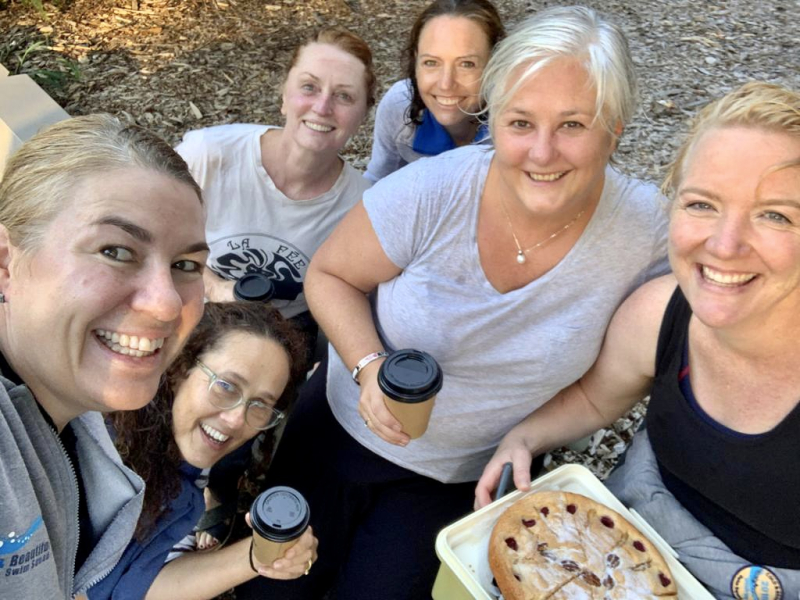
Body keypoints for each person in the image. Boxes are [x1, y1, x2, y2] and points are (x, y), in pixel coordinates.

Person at [235, 7, 670, 600]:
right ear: (495, 117)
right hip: (339, 429)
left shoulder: (648, 236)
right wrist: (368, 366)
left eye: (573, 124)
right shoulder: (434, 189)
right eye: (520, 122)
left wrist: (532, 436)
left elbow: (615, 383)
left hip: (463, 478)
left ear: (614, 128)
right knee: (271, 591)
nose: (542, 152)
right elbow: (331, 275)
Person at [475, 82, 800, 598]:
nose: (724, 245)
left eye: (775, 215)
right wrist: (525, 438)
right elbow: (594, 398)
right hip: (628, 540)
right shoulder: (659, 314)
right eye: (702, 204)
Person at [0, 114, 209, 600]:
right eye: (115, 251)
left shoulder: (71, 413)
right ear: (6, 263)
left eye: (185, 265)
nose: (166, 304)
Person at [89, 302, 317, 600]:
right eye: (226, 386)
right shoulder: (94, 450)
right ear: (180, 368)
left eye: (260, 404)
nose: (236, 420)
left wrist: (258, 555)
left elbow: (132, 587)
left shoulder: (179, 466)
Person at [176, 26, 375, 347]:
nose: (322, 107)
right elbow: (150, 241)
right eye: (309, 87)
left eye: (344, 96)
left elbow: (348, 299)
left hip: (285, 338)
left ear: (362, 115)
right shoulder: (208, 156)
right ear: (284, 96)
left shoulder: (362, 207)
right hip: (185, 311)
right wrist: (216, 288)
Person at [364, 0, 504, 183]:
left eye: (466, 64)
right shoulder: (400, 106)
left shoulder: (515, 118)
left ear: (495, 63)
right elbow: (378, 179)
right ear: (416, 61)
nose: (446, 84)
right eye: (431, 62)